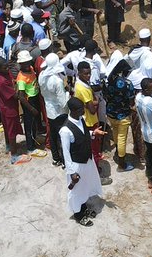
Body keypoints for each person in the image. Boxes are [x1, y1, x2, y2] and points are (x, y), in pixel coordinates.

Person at [60, 98, 106, 226]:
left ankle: (84, 207)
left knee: (85, 185)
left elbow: (83, 134)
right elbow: (66, 152)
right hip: (76, 165)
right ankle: (78, 214)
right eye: (81, 109)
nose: (83, 111)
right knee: (76, 190)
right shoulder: (65, 130)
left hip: (87, 160)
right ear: (73, 111)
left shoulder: (80, 120)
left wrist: (93, 133)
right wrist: (72, 172)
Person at [103, 52, 137, 172]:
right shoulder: (127, 84)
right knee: (122, 137)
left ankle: (118, 153)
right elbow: (131, 101)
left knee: (116, 133)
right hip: (123, 114)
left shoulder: (107, 80)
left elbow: (105, 96)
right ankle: (122, 164)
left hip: (111, 113)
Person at [0, 58, 29, 165]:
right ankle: (14, 156)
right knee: (11, 131)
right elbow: (14, 95)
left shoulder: (6, 72)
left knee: (7, 128)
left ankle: (8, 146)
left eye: (7, 66)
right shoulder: (1, 81)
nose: (7, 68)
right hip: (9, 109)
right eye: (4, 67)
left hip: (6, 106)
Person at [72, 60, 105, 168]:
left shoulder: (82, 83)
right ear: (79, 73)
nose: (89, 76)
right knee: (94, 148)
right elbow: (92, 110)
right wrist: (95, 102)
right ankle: (96, 172)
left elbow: (91, 102)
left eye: (89, 73)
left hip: (87, 119)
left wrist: (92, 102)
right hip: (89, 121)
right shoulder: (82, 89)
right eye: (85, 74)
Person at [39, 53, 70, 166]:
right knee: (63, 137)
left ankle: (56, 158)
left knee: (53, 135)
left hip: (49, 110)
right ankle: (65, 161)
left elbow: (42, 93)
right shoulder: (57, 81)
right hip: (60, 113)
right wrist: (68, 93)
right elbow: (63, 102)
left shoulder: (41, 75)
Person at [15, 51, 47, 158]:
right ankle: (31, 147)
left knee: (35, 122)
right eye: (24, 63)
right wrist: (31, 108)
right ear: (20, 64)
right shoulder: (21, 79)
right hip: (29, 102)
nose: (27, 64)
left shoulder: (31, 69)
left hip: (35, 97)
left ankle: (35, 138)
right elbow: (21, 96)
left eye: (28, 62)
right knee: (29, 124)